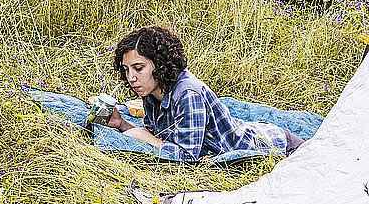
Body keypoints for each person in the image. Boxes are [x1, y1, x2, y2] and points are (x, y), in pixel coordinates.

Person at [107, 25, 304, 162]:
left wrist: (148, 139)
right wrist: (122, 124)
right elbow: (159, 136)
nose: (131, 77)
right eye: (126, 70)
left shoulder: (187, 94)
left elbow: (187, 157)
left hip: (277, 145)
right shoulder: (151, 92)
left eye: (138, 68)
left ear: (159, 64)